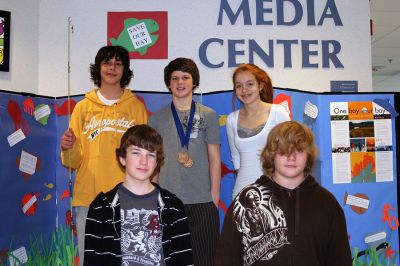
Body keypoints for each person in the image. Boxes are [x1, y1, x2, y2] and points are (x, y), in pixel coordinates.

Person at [216, 121, 352, 266]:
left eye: (299, 150)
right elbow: (227, 258)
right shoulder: (245, 201)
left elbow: (340, 259)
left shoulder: (326, 203)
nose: (291, 157)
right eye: (283, 150)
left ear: (308, 155)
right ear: (271, 154)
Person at [60, 45, 148, 265]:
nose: (112, 68)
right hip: (87, 197)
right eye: (107, 63)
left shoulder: (136, 108)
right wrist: (67, 147)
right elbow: (73, 160)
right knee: (90, 259)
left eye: (118, 64)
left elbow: (145, 158)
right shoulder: (81, 108)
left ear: (125, 70)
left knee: (128, 259)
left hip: (128, 198)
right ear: (98, 68)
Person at [84, 124, 193, 265]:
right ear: (122, 158)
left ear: (157, 162)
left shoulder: (173, 207)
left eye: (151, 155)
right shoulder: (101, 207)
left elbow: (184, 260)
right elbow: (91, 261)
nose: (144, 161)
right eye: (136, 153)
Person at [149, 57, 221, 266]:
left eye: (185, 77)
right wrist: (153, 197)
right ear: (169, 84)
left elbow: (215, 159)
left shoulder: (209, 115)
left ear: (194, 82)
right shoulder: (156, 118)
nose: (180, 82)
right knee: (170, 260)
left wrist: (214, 197)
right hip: (167, 202)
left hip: (202, 202)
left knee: (204, 261)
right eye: (175, 78)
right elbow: (153, 161)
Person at [226, 64, 290, 199]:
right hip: (242, 193)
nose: (244, 90)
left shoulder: (278, 112)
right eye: (238, 86)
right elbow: (236, 161)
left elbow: (290, 153)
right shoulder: (231, 119)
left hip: (275, 192)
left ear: (260, 86)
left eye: (250, 84)